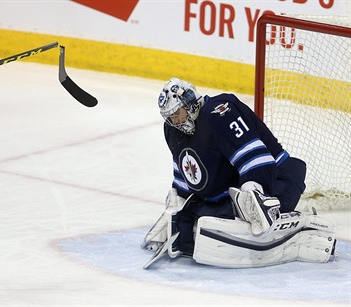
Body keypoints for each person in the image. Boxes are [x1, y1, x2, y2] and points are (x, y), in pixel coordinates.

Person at [141, 78, 336, 268]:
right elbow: (184, 181)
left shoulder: (218, 113)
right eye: (170, 117)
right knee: (193, 224)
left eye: (178, 114)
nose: (175, 121)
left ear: (190, 103)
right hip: (230, 194)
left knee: (249, 206)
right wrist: (175, 212)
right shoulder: (173, 131)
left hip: (278, 179)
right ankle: (248, 209)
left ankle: (304, 229)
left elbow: (257, 161)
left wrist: (254, 192)